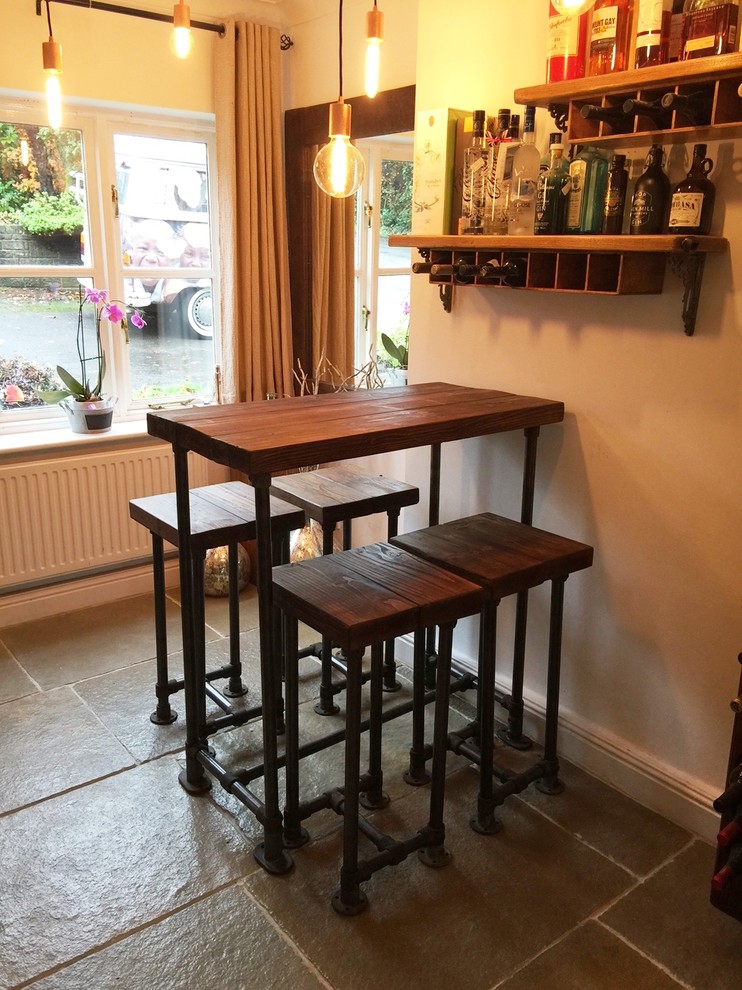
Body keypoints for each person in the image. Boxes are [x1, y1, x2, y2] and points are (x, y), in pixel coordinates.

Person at [122, 219, 178, 305]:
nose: (151, 258)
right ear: (132, 252)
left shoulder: (175, 286)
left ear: (170, 259)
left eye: (160, 252)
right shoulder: (121, 283)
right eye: (143, 248)